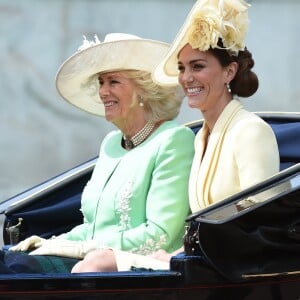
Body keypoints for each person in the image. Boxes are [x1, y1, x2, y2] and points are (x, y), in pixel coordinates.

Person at [71, 0, 280, 273]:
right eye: (182, 68)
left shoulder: (250, 131)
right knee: (91, 262)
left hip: (231, 269)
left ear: (229, 71)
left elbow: (257, 224)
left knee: (97, 264)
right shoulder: (200, 136)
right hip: (199, 261)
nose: (187, 78)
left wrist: (178, 255)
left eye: (198, 66)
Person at [3, 33, 195, 273]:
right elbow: (93, 227)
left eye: (113, 82)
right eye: (101, 82)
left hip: (136, 269)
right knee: (8, 258)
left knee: (17, 270)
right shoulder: (111, 144)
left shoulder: (174, 140)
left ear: (144, 90)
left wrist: (84, 248)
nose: (103, 92)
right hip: (91, 260)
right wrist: (54, 242)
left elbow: (159, 234)